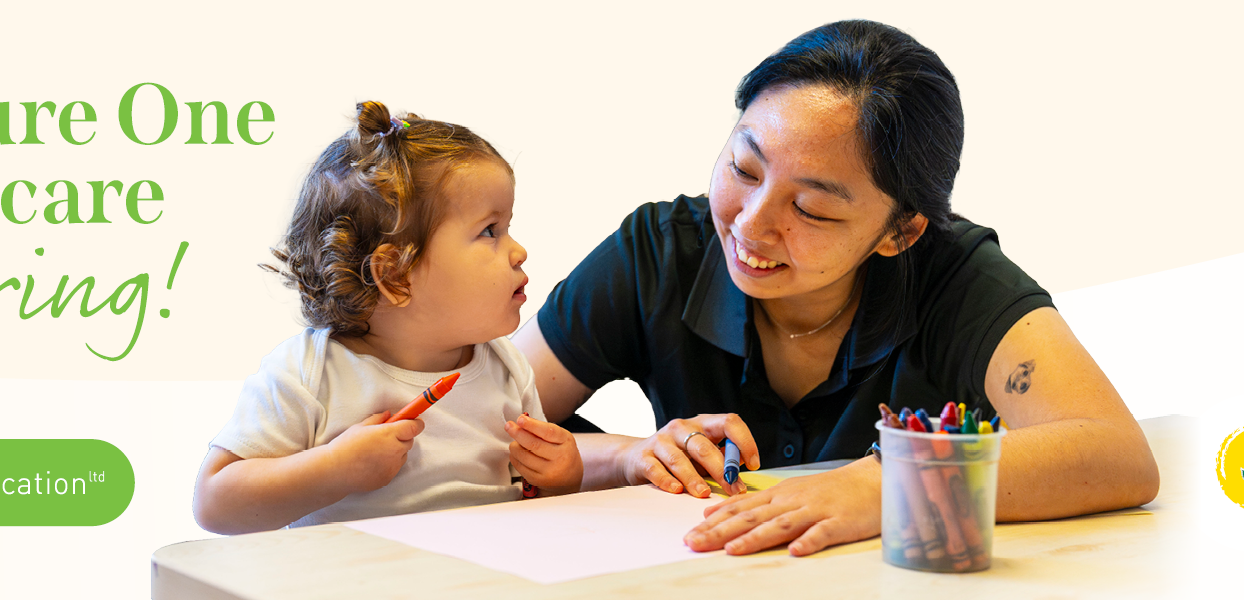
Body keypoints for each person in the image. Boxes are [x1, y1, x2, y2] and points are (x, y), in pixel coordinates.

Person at [515, 20, 1160, 556]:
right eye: (744, 167)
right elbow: (482, 428)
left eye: (813, 211)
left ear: (900, 232)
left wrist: (889, 488)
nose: (751, 222)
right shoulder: (657, 253)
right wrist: (629, 456)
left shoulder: (954, 279)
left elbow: (1115, 455)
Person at [192, 101, 582, 535]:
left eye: (508, 227)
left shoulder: (507, 367)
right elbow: (214, 504)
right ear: (395, 276)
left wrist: (559, 479)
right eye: (490, 231)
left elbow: (532, 504)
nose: (518, 250)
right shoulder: (310, 374)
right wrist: (333, 469)